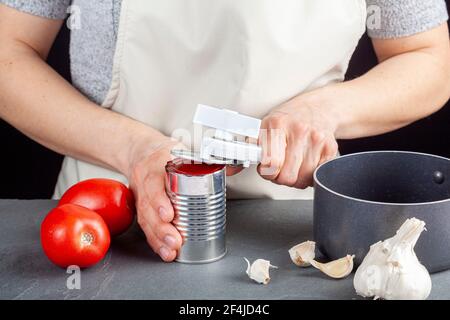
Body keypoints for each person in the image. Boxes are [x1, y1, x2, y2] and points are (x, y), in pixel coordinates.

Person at [0, 0, 449, 262]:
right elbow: (8, 52)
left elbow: (430, 59)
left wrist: (323, 111)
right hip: (109, 229)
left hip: (292, 238)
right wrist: (135, 150)